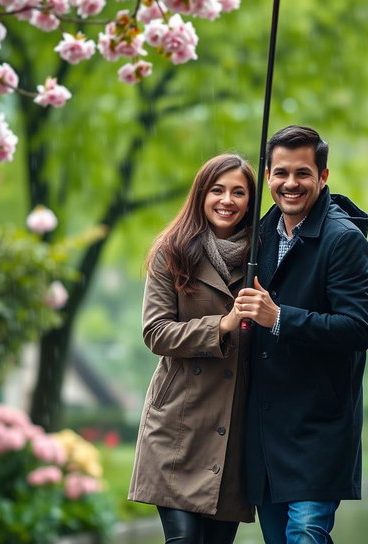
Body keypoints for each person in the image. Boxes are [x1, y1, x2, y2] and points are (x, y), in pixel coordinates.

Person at [234, 126, 368, 544]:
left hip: (319, 428)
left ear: (323, 176)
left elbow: (357, 328)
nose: (290, 184)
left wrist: (279, 317)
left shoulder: (343, 240)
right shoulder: (256, 238)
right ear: (268, 174)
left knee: (307, 534)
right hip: (265, 429)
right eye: (280, 173)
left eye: (302, 173)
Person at [128, 153, 256, 544]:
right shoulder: (173, 252)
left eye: (239, 192)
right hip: (177, 426)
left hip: (230, 429)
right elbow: (156, 332)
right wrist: (223, 325)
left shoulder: (263, 257)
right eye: (217, 190)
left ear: (251, 201)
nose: (227, 200)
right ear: (201, 195)